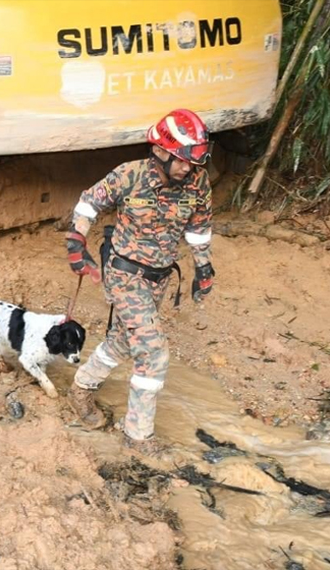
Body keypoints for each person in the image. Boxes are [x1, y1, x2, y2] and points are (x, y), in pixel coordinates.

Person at [65, 109, 215, 454]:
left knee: (123, 341)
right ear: (160, 151)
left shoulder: (197, 181)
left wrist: (203, 268)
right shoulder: (129, 175)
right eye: (182, 160)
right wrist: (76, 242)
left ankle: (81, 388)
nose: (188, 168)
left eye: (193, 161)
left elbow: (199, 227)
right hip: (124, 274)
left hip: (159, 278)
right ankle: (137, 436)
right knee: (153, 351)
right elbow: (89, 203)